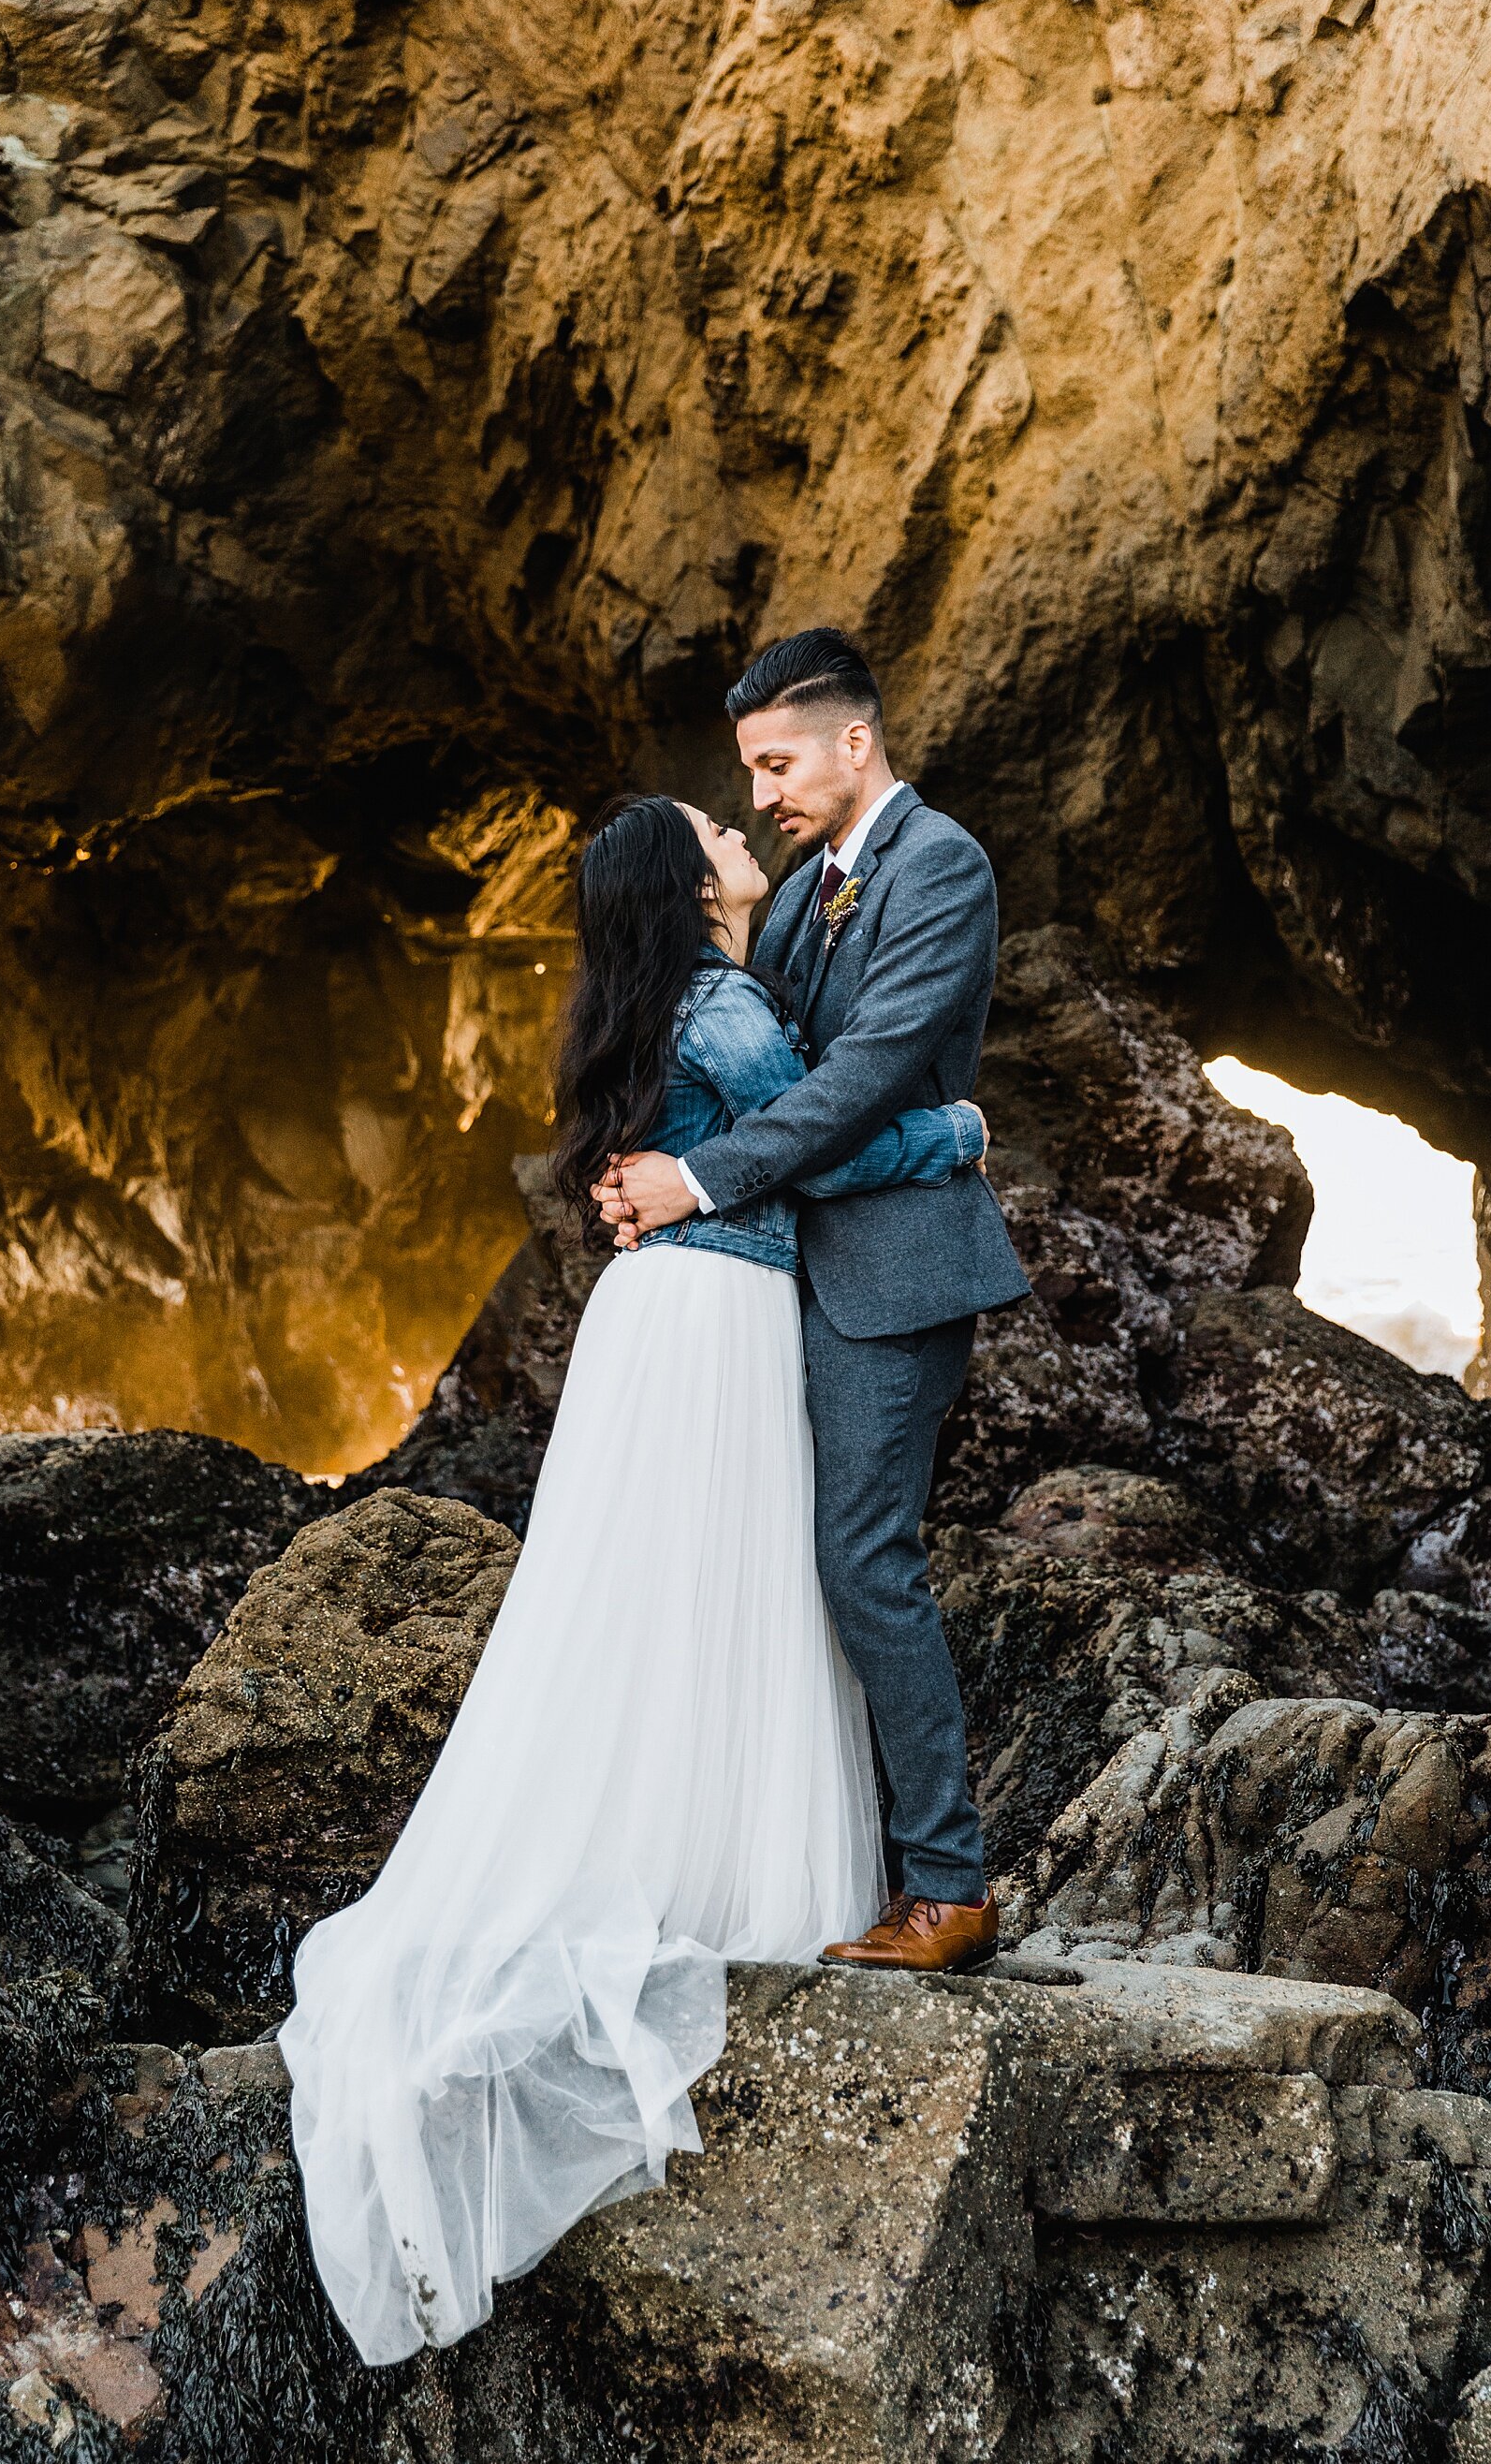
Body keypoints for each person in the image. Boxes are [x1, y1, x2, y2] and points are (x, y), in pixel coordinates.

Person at [278, 786, 995, 2364]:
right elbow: (828, 1138)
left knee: (652, 1613)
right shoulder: (728, 1003)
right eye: (715, 829)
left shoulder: (651, 1004)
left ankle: (692, 1859)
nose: (745, 833)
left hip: (660, 1325)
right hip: (719, 1330)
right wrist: (960, 1128)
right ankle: (739, 1883)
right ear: (692, 882)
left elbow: (731, 1145)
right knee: (729, 1609)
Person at [595, 627, 1031, 1975]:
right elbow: (756, 1065)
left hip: (891, 1275)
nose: (764, 793)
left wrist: (694, 1182)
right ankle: (799, 1863)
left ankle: (949, 1890)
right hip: (784, 1274)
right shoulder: (790, 898)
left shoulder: (942, 866)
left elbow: (858, 1085)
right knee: (794, 1569)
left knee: (862, 1556)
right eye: (748, 771)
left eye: (779, 763)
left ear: (856, 742)